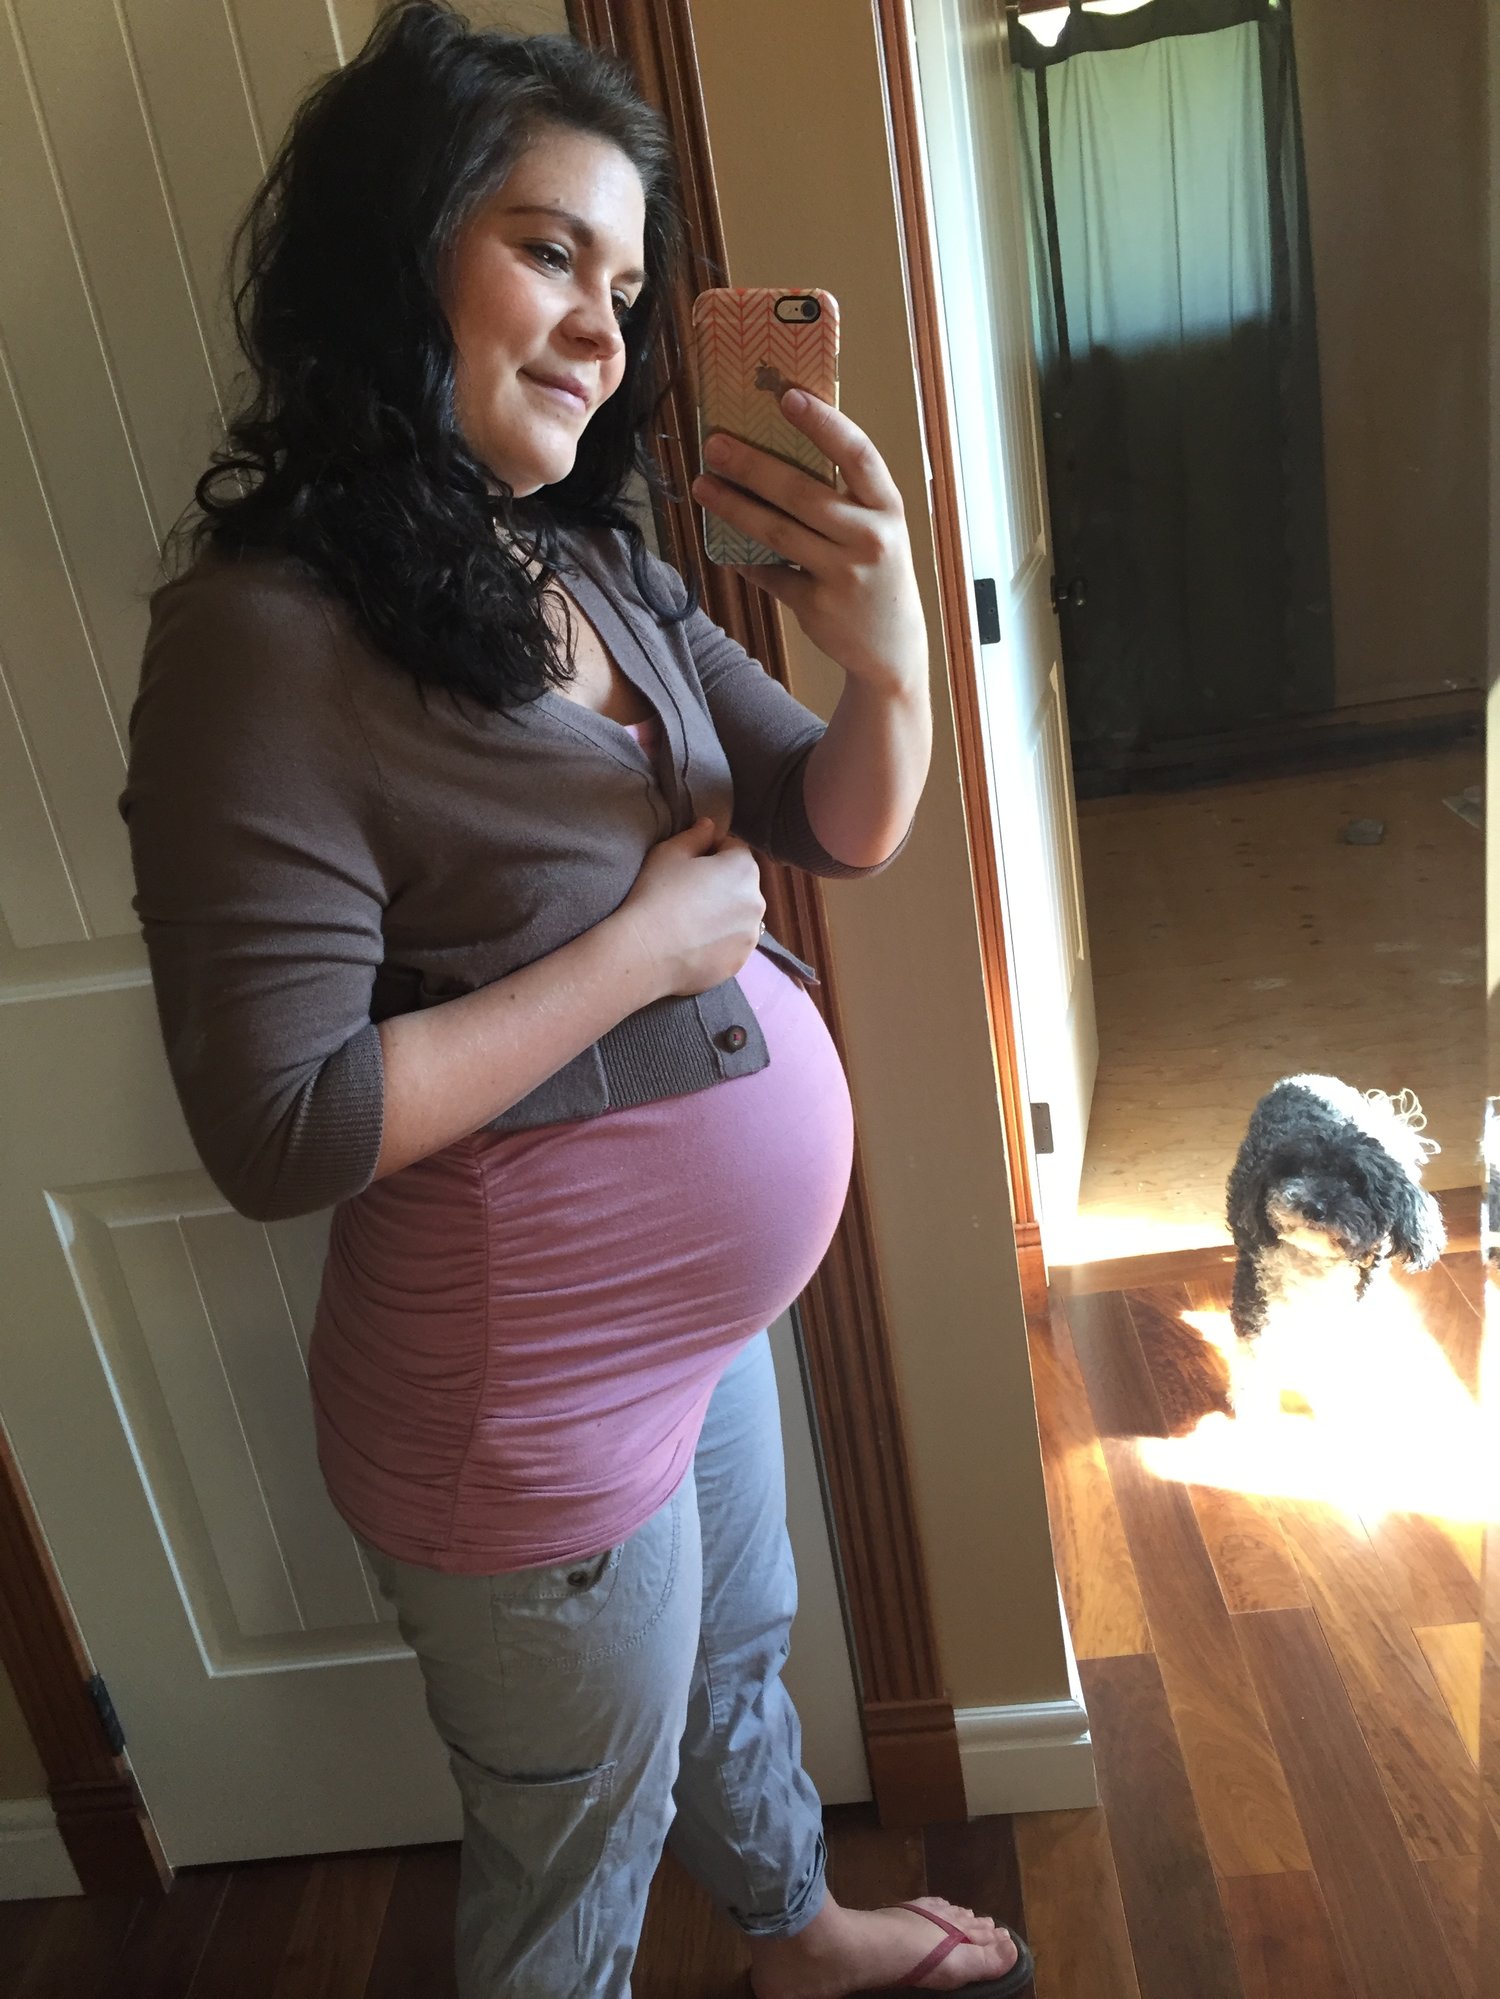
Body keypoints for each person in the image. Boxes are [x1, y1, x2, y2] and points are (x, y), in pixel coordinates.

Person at [118, 5, 1033, 1995]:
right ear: (397, 247)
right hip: (515, 1401)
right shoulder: (260, 643)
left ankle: (796, 1936)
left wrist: (890, 658)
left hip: (685, 1340)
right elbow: (280, 1123)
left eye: (622, 288)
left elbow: (833, 815)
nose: (602, 332)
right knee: (573, 1856)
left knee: (738, 1660)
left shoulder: (587, 557)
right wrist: (639, 954)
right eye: (548, 252)